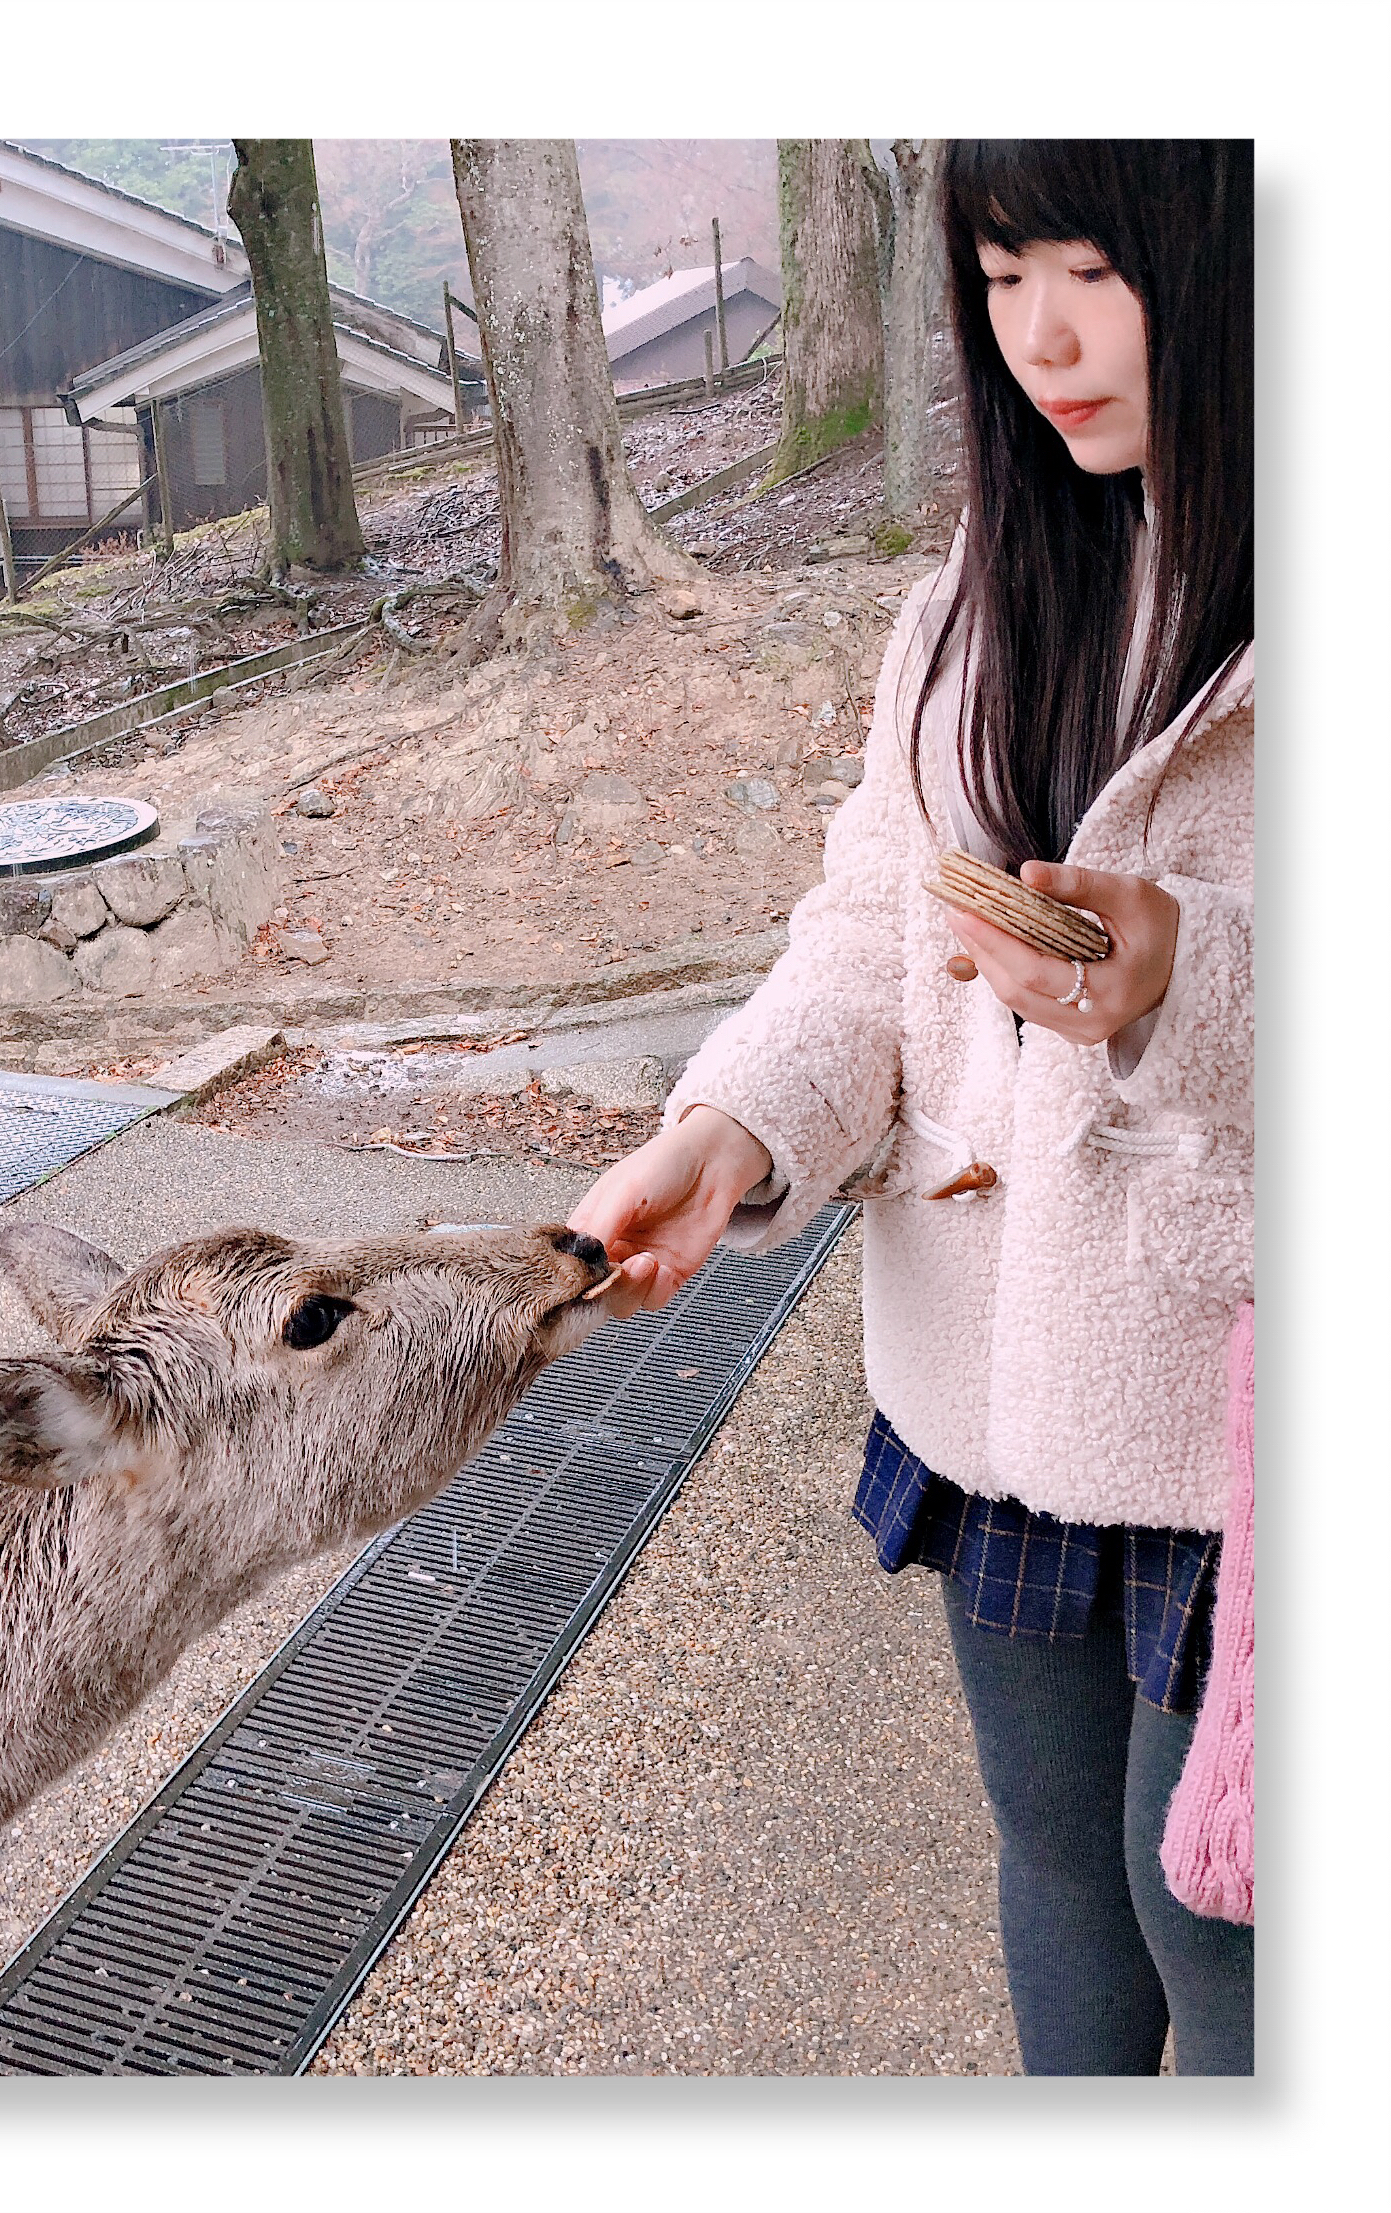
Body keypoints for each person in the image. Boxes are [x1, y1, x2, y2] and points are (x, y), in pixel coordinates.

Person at [570, 140, 1253, 2075]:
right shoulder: (972, 596)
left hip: (1236, 1406)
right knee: (1053, 1854)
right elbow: (871, 934)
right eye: (1001, 272)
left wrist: (1188, 971)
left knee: (1213, 1909)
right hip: (997, 1374)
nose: (1041, 336)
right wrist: (731, 1129)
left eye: (1096, 268)